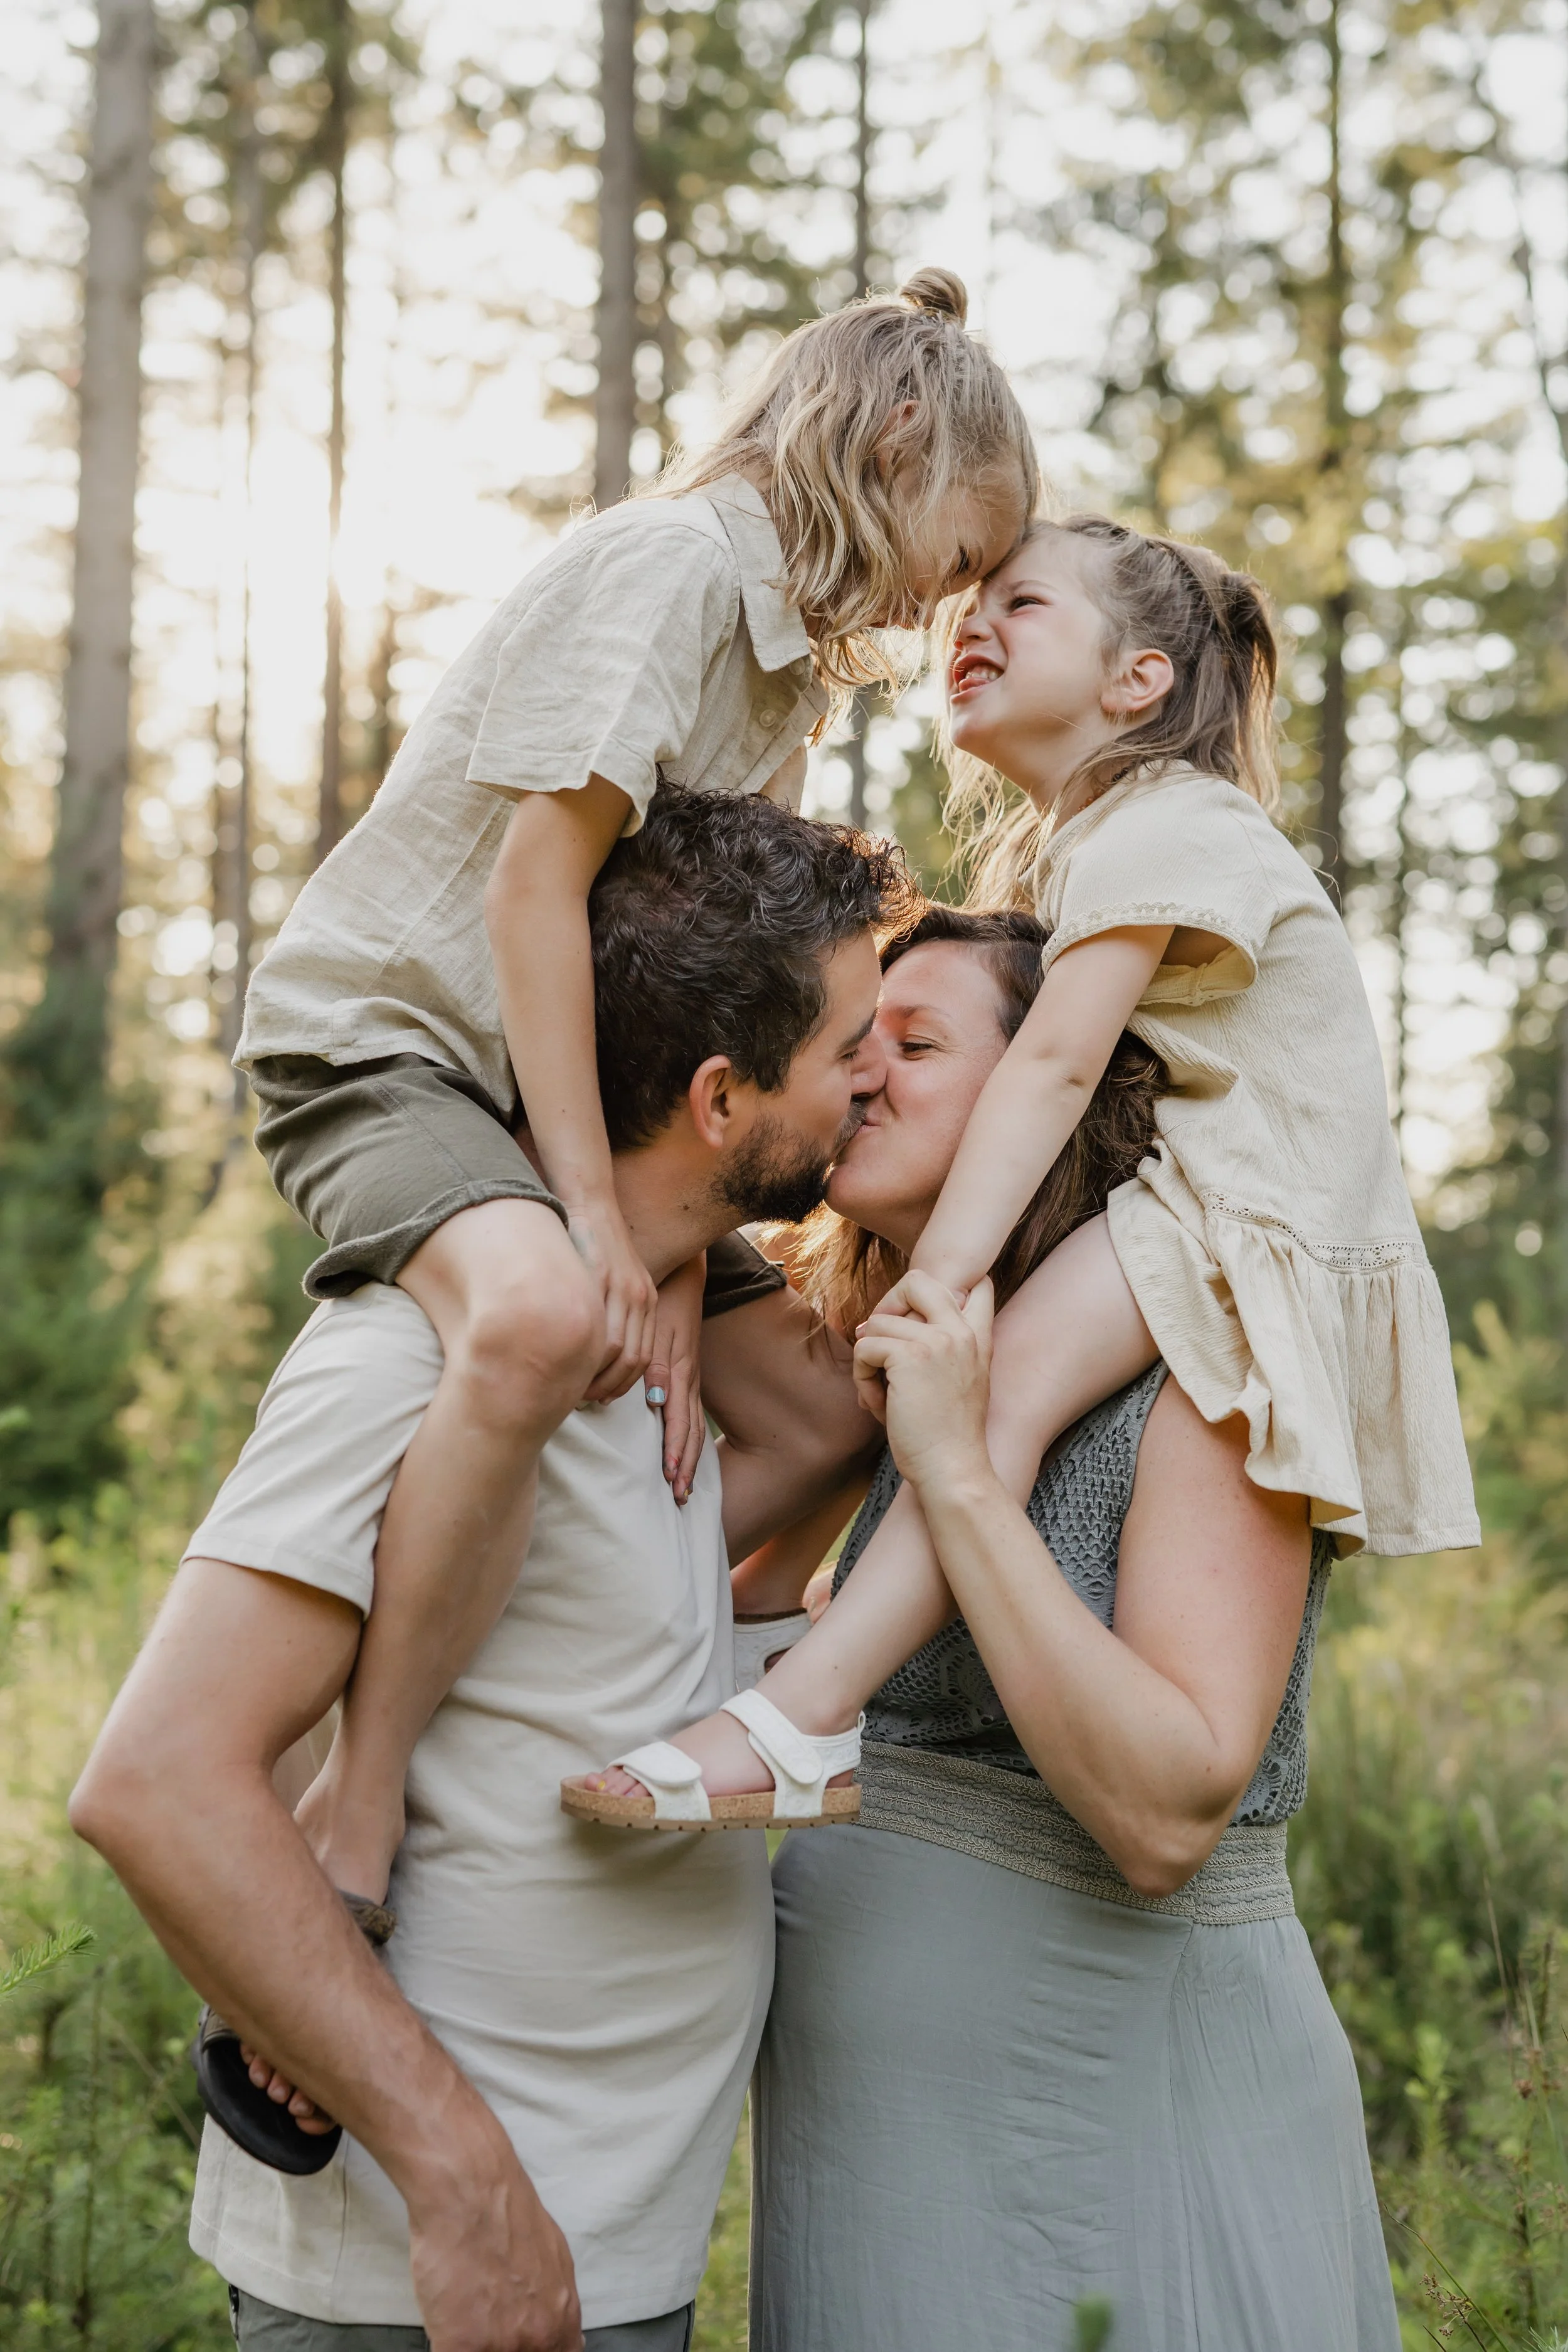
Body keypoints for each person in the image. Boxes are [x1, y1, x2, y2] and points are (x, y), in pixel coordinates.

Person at [233, 268, 1036, 1911]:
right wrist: (601, 1225)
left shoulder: (790, 676)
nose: (941, 608)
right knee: (544, 1317)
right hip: (398, 1049)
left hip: (569, 1104)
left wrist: (671, 1261)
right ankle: (358, 1788)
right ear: (895, 441)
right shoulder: (665, 568)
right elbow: (534, 893)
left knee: (829, 1405)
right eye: (958, 559)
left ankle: (588, 1656)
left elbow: (706, 988)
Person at [68, 790, 903, 2352]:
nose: (879, 1075)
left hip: (610, 2245)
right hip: (435, 2269)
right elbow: (158, 1786)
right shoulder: (421, 1351)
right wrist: (463, 2185)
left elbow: (826, 1417)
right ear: (719, 1097)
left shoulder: (662, 1350)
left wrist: (668, 1246)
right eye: (850, 1046)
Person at [568, 511, 1477, 1829]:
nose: (973, 622)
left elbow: (1049, 1070)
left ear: (1138, 680)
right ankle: (804, 1662)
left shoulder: (1175, 823)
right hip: (1208, 1195)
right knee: (978, 1402)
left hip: (1246, 1209)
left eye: (1024, 604)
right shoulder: (1101, 843)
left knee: (985, 1400)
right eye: (970, 603)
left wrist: (937, 1284)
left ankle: (804, 1712)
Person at [744, 904, 1403, 2349]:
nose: (861, 1073)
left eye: (917, 1043)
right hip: (883, 2164)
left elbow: (1168, 1811)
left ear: (1060, 1087)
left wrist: (958, 1474)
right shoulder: (907, 1359)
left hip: (1104, 2137)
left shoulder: (1201, 1364)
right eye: (853, 1041)